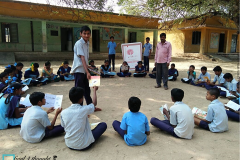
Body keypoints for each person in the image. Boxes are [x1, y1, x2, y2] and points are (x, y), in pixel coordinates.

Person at [70, 26, 101, 111]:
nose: (86, 35)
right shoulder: (79, 43)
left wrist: (88, 67)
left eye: (88, 33)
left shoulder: (86, 43)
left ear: (90, 34)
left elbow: (83, 60)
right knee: (79, 91)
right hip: (79, 71)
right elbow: (82, 58)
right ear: (81, 34)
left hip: (83, 69)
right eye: (84, 33)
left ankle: (91, 107)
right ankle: (79, 110)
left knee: (87, 90)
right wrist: (87, 72)